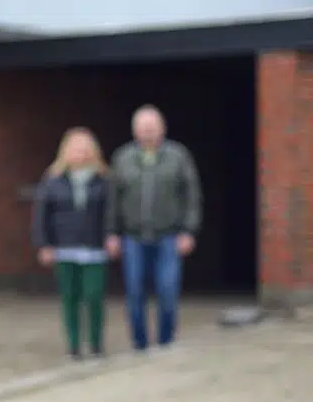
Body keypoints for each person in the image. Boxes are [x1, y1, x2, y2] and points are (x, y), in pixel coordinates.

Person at [104, 105, 202, 351]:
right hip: (133, 236)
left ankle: (166, 340)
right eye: (143, 128)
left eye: (152, 128)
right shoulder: (122, 158)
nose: (148, 132)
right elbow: (113, 199)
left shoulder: (179, 156)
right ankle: (140, 343)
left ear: (162, 129)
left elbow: (191, 196)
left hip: (168, 235)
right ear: (134, 131)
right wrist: (112, 233)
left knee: (167, 290)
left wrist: (188, 231)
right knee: (135, 291)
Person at [33, 127, 113, 360]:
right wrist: (44, 244)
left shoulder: (104, 180)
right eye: (76, 149)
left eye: (85, 149)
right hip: (64, 246)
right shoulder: (52, 180)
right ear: (66, 152)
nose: (80, 154)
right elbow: (41, 215)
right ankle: (74, 345)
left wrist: (112, 236)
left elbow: (111, 213)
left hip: (95, 247)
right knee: (70, 298)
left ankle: (96, 344)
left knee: (94, 295)